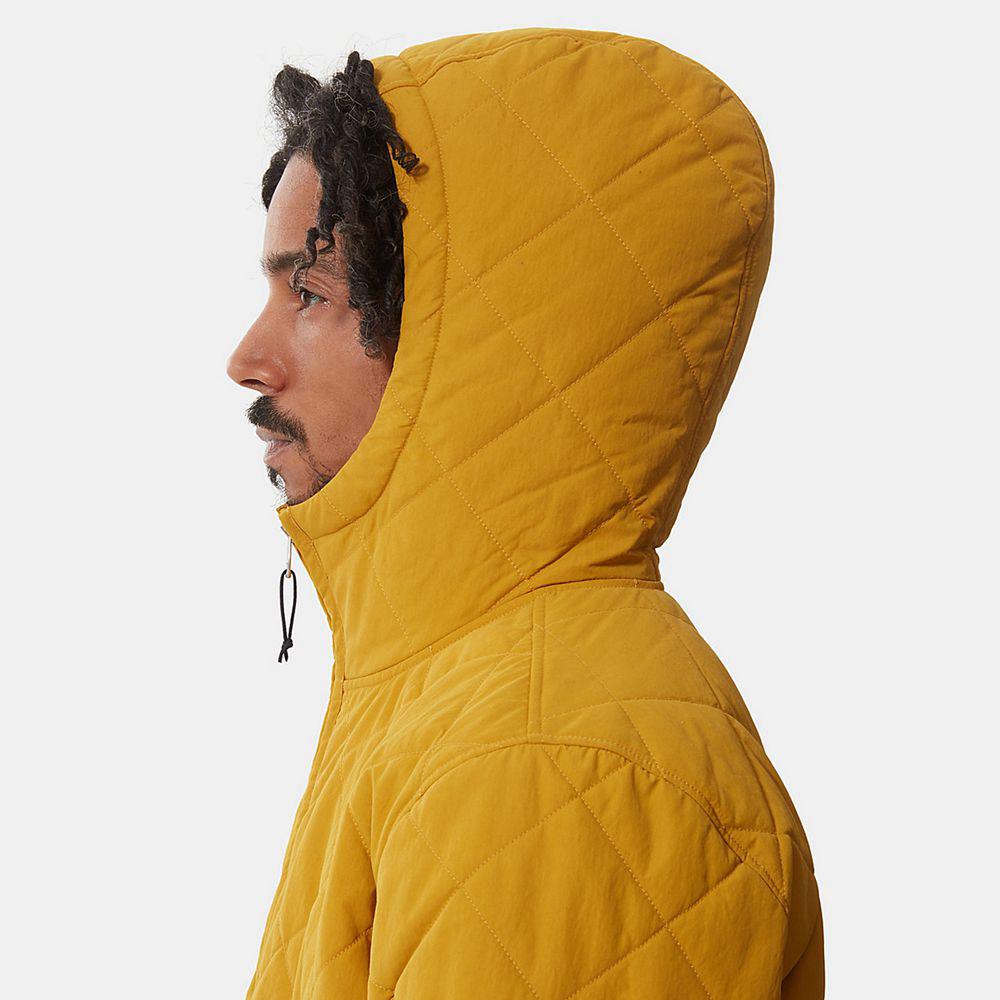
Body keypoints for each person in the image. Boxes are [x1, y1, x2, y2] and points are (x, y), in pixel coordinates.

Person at [227, 26, 823, 1000]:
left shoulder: (549, 761)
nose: (248, 359)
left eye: (311, 292)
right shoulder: (451, 699)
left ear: (467, 338)